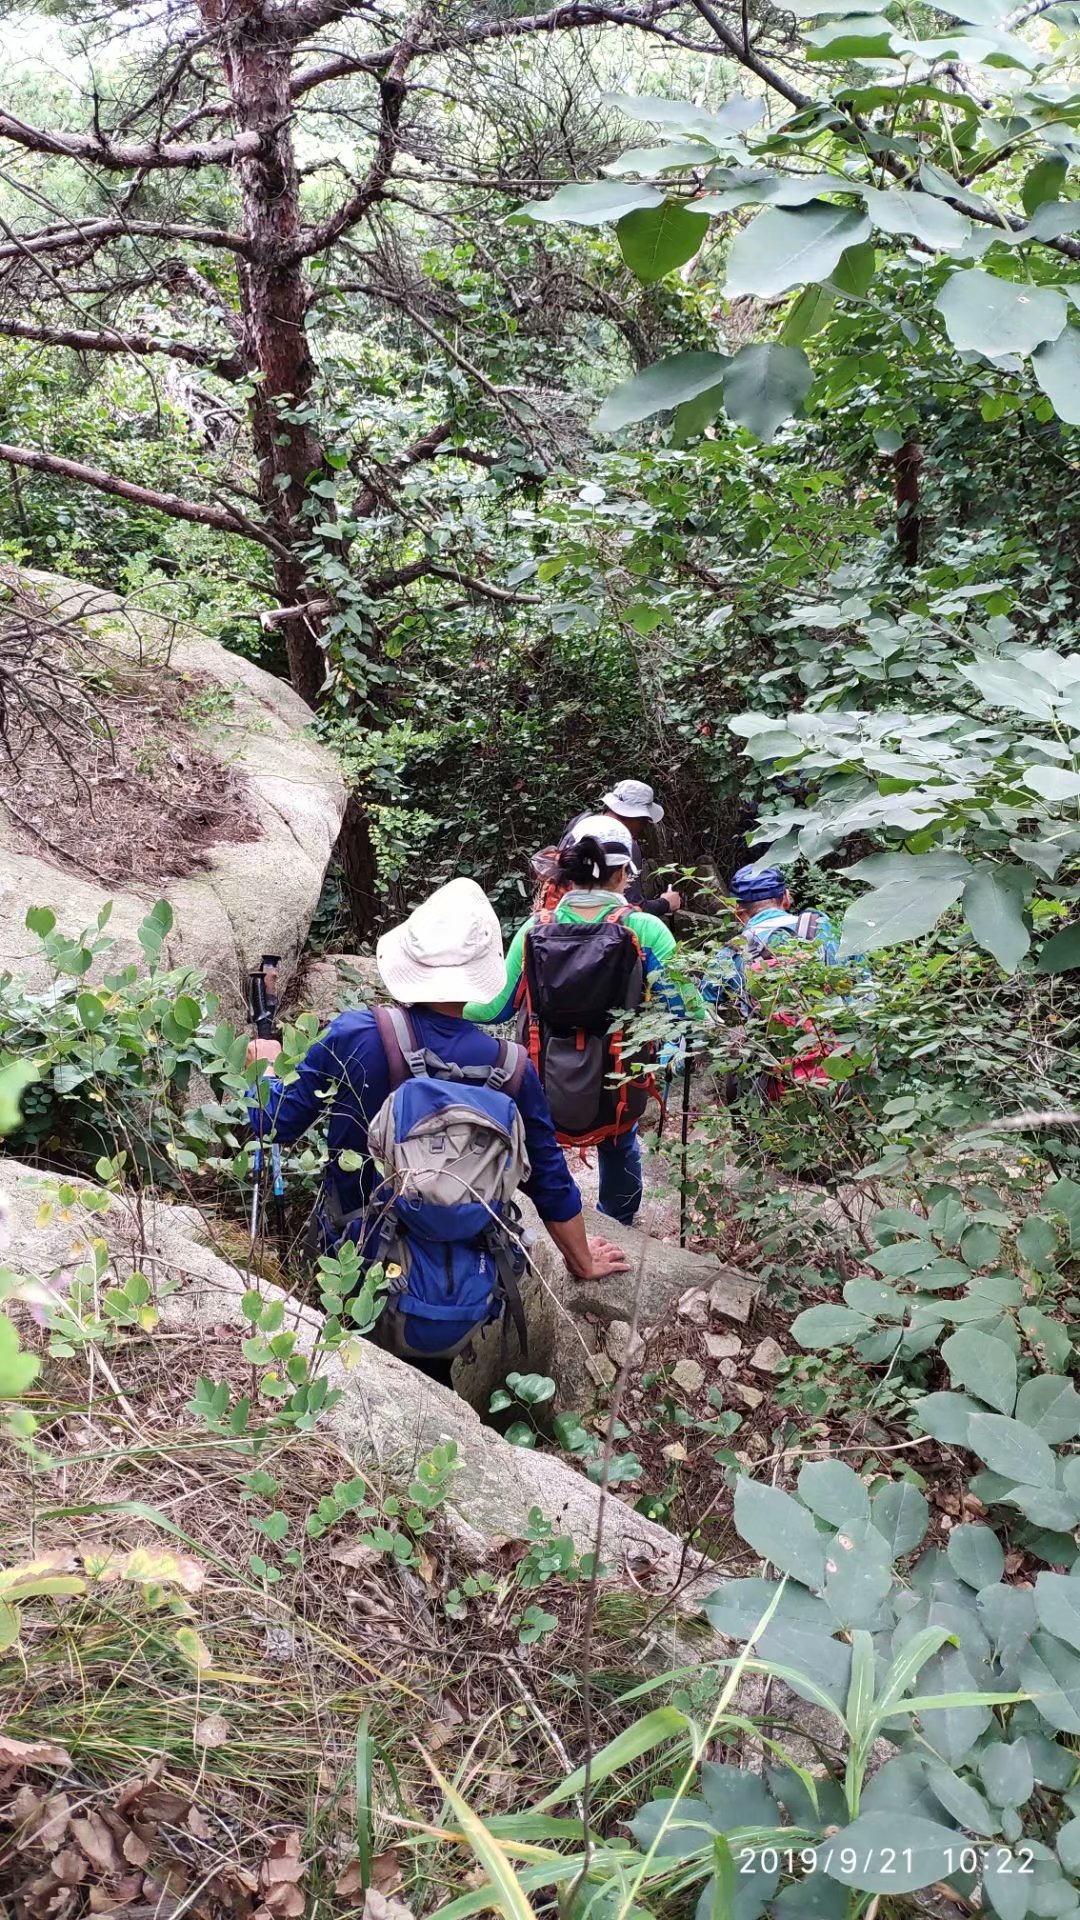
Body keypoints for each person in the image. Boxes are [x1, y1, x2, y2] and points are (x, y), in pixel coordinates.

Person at [246, 878, 627, 1386]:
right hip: (456, 1279)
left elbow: (273, 1126)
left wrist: (263, 1074)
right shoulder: (510, 1068)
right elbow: (549, 1179)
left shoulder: (358, 1033)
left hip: (355, 1258)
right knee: (429, 1383)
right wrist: (580, 1260)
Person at [465, 818, 705, 1227]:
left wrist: (436, 997)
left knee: (541, 1142)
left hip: (542, 1070)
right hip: (620, 1071)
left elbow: (494, 1010)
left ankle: (550, 1222)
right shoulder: (645, 928)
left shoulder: (535, 928)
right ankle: (617, 1222)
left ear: (567, 871)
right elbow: (686, 1012)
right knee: (619, 1142)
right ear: (624, 873)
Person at [701, 865, 846, 1097]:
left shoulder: (733, 952)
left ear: (738, 911)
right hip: (840, 1068)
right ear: (786, 898)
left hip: (776, 1077)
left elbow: (702, 1010)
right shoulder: (824, 929)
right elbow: (862, 989)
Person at [570, 779, 681, 921]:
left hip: (563, 920)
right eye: (644, 821)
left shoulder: (579, 825)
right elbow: (634, 909)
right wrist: (666, 903)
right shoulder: (624, 844)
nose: (643, 827)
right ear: (637, 817)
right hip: (606, 930)